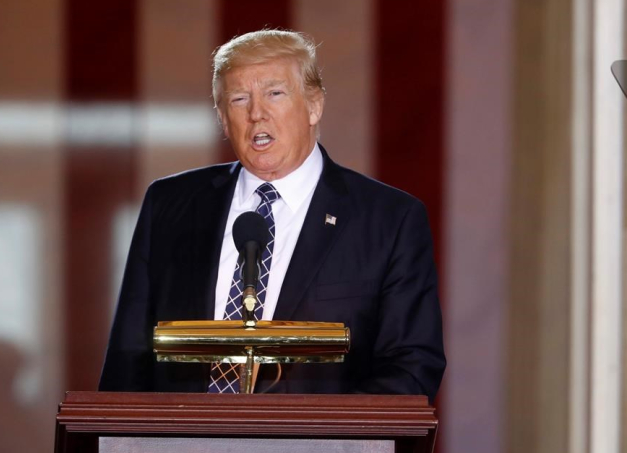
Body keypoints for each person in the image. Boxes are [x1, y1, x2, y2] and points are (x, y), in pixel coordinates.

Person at [99, 29, 445, 401]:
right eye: (239, 98)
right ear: (221, 116)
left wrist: (317, 438)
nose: (256, 113)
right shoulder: (170, 204)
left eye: (274, 94)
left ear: (314, 106)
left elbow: (410, 367)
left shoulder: (389, 219)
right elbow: (128, 359)